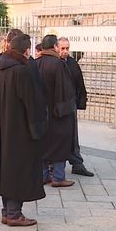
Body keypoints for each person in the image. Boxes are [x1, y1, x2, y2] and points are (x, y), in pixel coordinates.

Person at [0, 34, 47, 227]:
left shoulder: (2, 69)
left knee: (7, 169)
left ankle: (7, 211)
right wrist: (38, 128)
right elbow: (31, 103)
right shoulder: (22, 71)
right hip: (20, 130)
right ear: (27, 50)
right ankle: (14, 213)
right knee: (18, 170)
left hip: (4, 127)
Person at [36, 35, 76, 188]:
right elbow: (65, 90)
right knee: (60, 144)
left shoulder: (36, 63)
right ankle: (58, 177)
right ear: (54, 47)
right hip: (57, 112)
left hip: (40, 111)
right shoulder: (58, 64)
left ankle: (43, 175)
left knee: (43, 144)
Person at [58, 37, 93, 177]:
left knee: (73, 135)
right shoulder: (54, 63)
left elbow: (79, 83)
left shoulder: (72, 63)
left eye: (67, 48)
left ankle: (76, 163)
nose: (65, 51)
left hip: (70, 104)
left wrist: (80, 101)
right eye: (62, 48)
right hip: (56, 105)